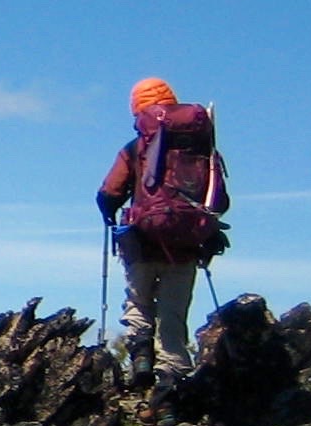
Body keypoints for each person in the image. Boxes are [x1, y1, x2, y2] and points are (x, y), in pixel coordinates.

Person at [97, 76, 229, 386]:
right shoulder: (202, 147)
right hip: (186, 246)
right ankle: (168, 394)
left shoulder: (135, 148)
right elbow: (220, 200)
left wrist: (110, 215)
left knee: (139, 302)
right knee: (172, 318)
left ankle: (141, 356)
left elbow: (109, 192)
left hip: (142, 241)